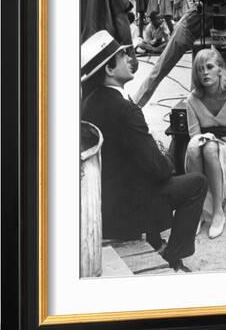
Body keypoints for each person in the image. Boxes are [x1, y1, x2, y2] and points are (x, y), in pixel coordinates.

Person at [81, 31, 207, 272]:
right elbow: (158, 171)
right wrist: (166, 159)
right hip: (124, 214)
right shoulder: (126, 110)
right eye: (122, 56)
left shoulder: (88, 103)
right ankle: (173, 254)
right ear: (109, 69)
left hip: (102, 202)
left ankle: (155, 240)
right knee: (196, 183)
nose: (130, 59)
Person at [185, 49, 226, 239]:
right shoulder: (192, 100)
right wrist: (211, 140)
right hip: (204, 148)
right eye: (200, 69)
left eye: (209, 67)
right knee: (197, 148)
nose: (204, 72)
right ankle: (198, 211)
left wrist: (212, 139)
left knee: (209, 147)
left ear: (220, 69)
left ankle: (217, 212)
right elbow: (194, 137)